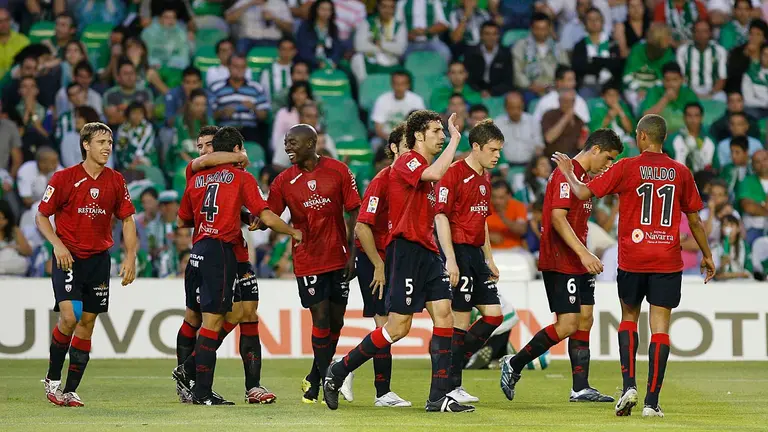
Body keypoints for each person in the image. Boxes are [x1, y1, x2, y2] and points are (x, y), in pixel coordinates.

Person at [545, 114, 716, 418]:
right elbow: (694, 219)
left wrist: (569, 172)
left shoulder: (626, 167)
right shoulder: (681, 172)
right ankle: (652, 402)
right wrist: (707, 254)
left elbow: (583, 192)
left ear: (641, 137)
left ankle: (628, 386)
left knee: (629, 318)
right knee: (660, 327)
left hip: (633, 258)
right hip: (667, 259)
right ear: (662, 138)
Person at [322, 111, 476, 413]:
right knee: (398, 327)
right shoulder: (408, 161)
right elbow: (433, 175)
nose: (441, 136)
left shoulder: (425, 167)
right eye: (435, 131)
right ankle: (338, 371)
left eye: (443, 132)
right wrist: (457, 140)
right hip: (405, 250)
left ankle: (438, 397)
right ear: (418, 135)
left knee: (444, 315)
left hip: (427, 252)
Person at [175, 126, 301, 405]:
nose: (205, 151)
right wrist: (294, 232)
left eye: (209, 145)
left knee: (248, 313)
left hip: (232, 254)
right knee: (206, 318)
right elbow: (266, 215)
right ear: (235, 150)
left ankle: (249, 387)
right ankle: (195, 383)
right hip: (219, 251)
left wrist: (239, 215)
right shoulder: (229, 175)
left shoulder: (197, 180)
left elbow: (183, 219)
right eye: (201, 147)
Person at [500, 129, 624, 405]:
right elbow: (557, 218)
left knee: (585, 318)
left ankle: (580, 388)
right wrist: (583, 254)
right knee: (568, 323)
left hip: (578, 257)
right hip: (561, 258)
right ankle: (515, 363)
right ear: (595, 149)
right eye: (608, 157)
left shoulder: (581, 177)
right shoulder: (563, 176)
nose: (609, 164)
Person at [38, 122, 139, 407]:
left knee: (87, 324)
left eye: (109, 142)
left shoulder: (116, 180)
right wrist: (57, 245)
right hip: (68, 257)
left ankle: (70, 390)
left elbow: (128, 219)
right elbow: (42, 216)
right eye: (101, 142)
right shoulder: (63, 178)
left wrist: (130, 257)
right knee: (70, 317)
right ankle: (52, 379)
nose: (107, 147)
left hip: (98, 259)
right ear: (86, 145)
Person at [265, 123, 361, 404]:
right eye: (285, 142)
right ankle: (330, 380)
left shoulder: (339, 170)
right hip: (308, 259)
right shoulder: (283, 181)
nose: (287, 148)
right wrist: (247, 215)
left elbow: (355, 212)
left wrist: (354, 254)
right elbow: (269, 215)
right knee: (320, 318)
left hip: (339, 256)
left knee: (336, 321)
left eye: (292, 142)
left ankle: (316, 377)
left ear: (311, 143)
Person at [434, 118, 504, 404]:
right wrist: (450, 259)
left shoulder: (484, 179)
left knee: (494, 315)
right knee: (460, 319)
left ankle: (450, 369)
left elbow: (482, 221)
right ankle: (452, 384)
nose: (497, 155)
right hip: (459, 252)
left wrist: (490, 258)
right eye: (492, 149)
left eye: (499, 150)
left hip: (476, 254)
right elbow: (440, 216)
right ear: (475, 147)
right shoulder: (453, 174)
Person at [351, 124, 411, 407]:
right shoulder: (383, 180)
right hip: (377, 261)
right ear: (394, 149)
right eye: (408, 144)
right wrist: (377, 264)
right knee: (386, 324)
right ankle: (380, 392)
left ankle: (346, 368)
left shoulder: (416, 180)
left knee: (394, 325)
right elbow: (362, 227)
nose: (413, 150)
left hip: (398, 260)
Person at [513, 12, 569, 104]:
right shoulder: (521, 46)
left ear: (549, 29)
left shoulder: (558, 47)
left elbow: (565, 70)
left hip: (554, 88)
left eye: (544, 29)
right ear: (531, 29)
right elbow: (517, 72)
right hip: (530, 89)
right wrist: (530, 85)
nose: (541, 32)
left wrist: (556, 85)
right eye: (537, 29)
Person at [571, 7, 622, 99]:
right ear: (585, 23)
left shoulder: (612, 43)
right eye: (590, 20)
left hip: (610, 85)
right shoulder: (580, 45)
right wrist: (605, 62)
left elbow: (616, 65)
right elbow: (578, 67)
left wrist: (593, 61)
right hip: (588, 85)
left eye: (597, 19)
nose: (594, 22)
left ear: (602, 21)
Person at [351, 0, 407, 83]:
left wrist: (380, 44)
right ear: (378, 7)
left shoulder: (399, 26)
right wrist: (389, 47)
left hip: (391, 61)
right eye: (384, 7)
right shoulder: (367, 22)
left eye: (391, 7)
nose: (387, 10)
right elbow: (359, 46)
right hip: (371, 60)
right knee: (357, 59)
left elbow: (400, 49)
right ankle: (363, 90)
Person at [622, 23, 675, 111]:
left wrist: (651, 91)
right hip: (635, 88)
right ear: (658, 39)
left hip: (656, 89)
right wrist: (639, 88)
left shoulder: (668, 52)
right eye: (668, 37)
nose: (671, 40)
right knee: (642, 105)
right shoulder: (637, 49)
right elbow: (627, 77)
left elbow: (666, 77)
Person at [676, 20, 727, 101]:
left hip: (712, 90)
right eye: (697, 31)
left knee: (721, 98)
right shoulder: (683, 50)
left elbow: (722, 78)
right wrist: (692, 94)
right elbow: (680, 77)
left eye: (705, 31)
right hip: (690, 89)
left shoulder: (719, 50)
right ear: (692, 33)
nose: (701, 35)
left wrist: (710, 93)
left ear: (710, 33)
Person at [371, 71, 425, 144]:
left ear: (408, 85)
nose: (399, 87)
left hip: (409, 140)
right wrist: (393, 140)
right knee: (375, 143)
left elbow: (420, 126)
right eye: (396, 83)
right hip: (386, 139)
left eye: (402, 84)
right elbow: (378, 129)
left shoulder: (417, 100)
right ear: (392, 84)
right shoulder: (382, 100)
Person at [463, 21, 514, 98]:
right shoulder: (471, 53)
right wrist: (480, 91)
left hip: (499, 93)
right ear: (481, 36)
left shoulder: (506, 54)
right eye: (487, 34)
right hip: (475, 92)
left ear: (498, 36)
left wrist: (491, 92)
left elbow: (508, 81)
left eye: (494, 34)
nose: (491, 37)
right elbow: (468, 78)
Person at [295, 0, 344, 70]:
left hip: (329, 62)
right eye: (323, 9)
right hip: (310, 62)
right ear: (316, 10)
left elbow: (337, 48)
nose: (325, 12)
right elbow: (303, 49)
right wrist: (317, 62)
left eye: (328, 10)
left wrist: (333, 61)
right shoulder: (305, 26)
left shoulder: (333, 28)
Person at [668, 102, 715, 172]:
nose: (693, 119)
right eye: (689, 116)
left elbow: (716, 167)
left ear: (701, 117)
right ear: (684, 117)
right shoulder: (673, 139)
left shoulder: (710, 141)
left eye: (696, 116)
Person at [736, 150, 768, 245]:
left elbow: (754, 208)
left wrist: (760, 206)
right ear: (753, 166)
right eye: (757, 162)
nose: (762, 164)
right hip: (754, 229)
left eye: (765, 159)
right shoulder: (746, 181)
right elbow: (748, 208)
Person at [741, 42, 768, 119]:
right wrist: (765, 103)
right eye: (765, 54)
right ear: (760, 55)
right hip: (757, 108)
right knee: (748, 111)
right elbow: (748, 99)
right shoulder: (750, 73)